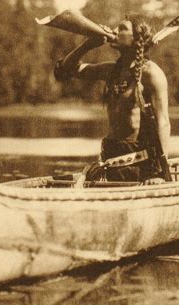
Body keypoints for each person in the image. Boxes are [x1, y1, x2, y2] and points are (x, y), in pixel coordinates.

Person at [54, 14, 171, 184]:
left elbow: (163, 122)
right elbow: (64, 71)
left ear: (136, 38)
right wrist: (88, 44)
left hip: (140, 167)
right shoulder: (110, 71)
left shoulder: (151, 74)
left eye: (122, 28)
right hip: (109, 160)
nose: (114, 31)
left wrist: (159, 173)